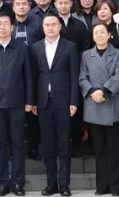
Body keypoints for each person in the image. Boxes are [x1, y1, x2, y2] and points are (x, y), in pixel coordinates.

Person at [0, 13, 35, 197]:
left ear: (12, 27)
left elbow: (28, 76)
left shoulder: (21, 48)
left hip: (18, 103)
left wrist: (29, 100)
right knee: (0, 145)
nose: (2, 27)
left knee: (18, 144)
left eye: (6, 23)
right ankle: (2, 183)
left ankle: (18, 183)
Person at [33, 13, 80, 197]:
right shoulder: (36, 47)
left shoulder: (70, 47)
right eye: (47, 25)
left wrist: (74, 100)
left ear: (60, 26)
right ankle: (51, 184)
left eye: (54, 24)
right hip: (43, 102)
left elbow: (74, 76)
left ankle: (64, 185)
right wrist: (33, 101)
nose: (50, 27)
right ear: (43, 27)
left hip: (63, 102)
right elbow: (34, 76)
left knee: (64, 145)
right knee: (48, 146)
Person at [80, 22, 119, 197]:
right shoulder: (86, 55)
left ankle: (115, 186)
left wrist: (104, 91)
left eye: (102, 32)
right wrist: (93, 92)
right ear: (93, 37)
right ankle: (102, 185)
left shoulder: (118, 54)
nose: (99, 35)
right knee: (99, 150)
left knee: (114, 150)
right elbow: (82, 77)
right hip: (94, 105)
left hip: (112, 103)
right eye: (96, 33)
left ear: (109, 35)